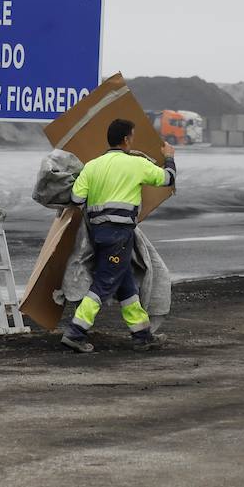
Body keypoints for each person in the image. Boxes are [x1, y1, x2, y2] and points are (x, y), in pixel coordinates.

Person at [61, 118, 176, 353]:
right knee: (104, 282)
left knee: (126, 285)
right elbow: (168, 179)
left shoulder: (93, 166)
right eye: (132, 136)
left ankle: (141, 335)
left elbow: (75, 200)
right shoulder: (136, 164)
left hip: (99, 235)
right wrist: (170, 157)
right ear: (126, 139)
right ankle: (75, 331)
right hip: (120, 236)